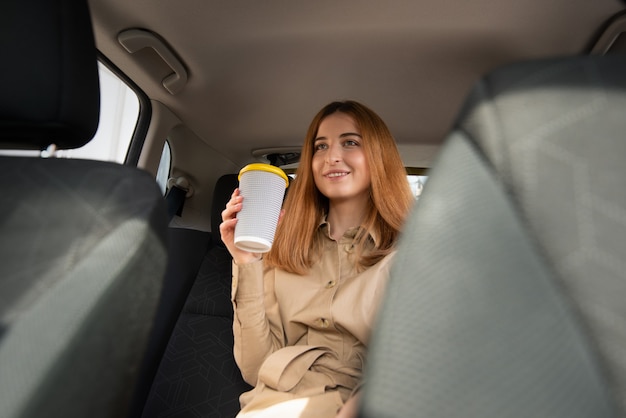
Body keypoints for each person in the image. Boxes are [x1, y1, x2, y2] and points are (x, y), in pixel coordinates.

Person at [220, 100, 414, 417]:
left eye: (350, 142)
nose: (331, 157)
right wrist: (247, 262)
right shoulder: (280, 250)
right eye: (320, 147)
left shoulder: (409, 254)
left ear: (379, 156)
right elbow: (256, 369)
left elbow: (414, 363)